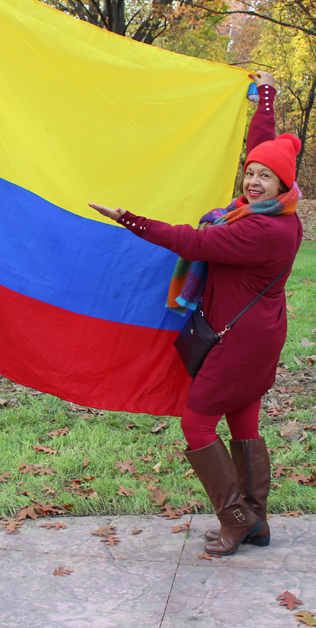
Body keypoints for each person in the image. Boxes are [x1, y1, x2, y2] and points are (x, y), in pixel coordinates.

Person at [89, 71, 303, 556]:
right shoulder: (271, 212)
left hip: (240, 340)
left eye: (263, 176)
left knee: (197, 424)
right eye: (249, 172)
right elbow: (265, 145)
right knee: (243, 424)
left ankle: (235, 519)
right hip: (258, 334)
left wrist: (128, 219)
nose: (252, 180)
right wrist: (264, 97)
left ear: (282, 184)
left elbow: (193, 241)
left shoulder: (259, 232)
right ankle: (257, 521)